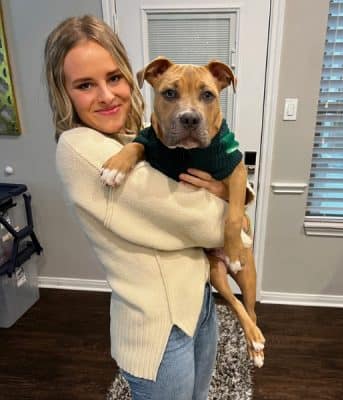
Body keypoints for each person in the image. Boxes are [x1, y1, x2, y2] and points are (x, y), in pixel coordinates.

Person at [45, 15, 237, 400]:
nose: (106, 95)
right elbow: (202, 222)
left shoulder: (135, 138)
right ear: (63, 92)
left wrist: (223, 188)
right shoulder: (80, 148)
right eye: (85, 85)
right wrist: (234, 215)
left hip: (196, 303)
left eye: (113, 78)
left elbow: (220, 192)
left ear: (130, 80)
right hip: (159, 329)